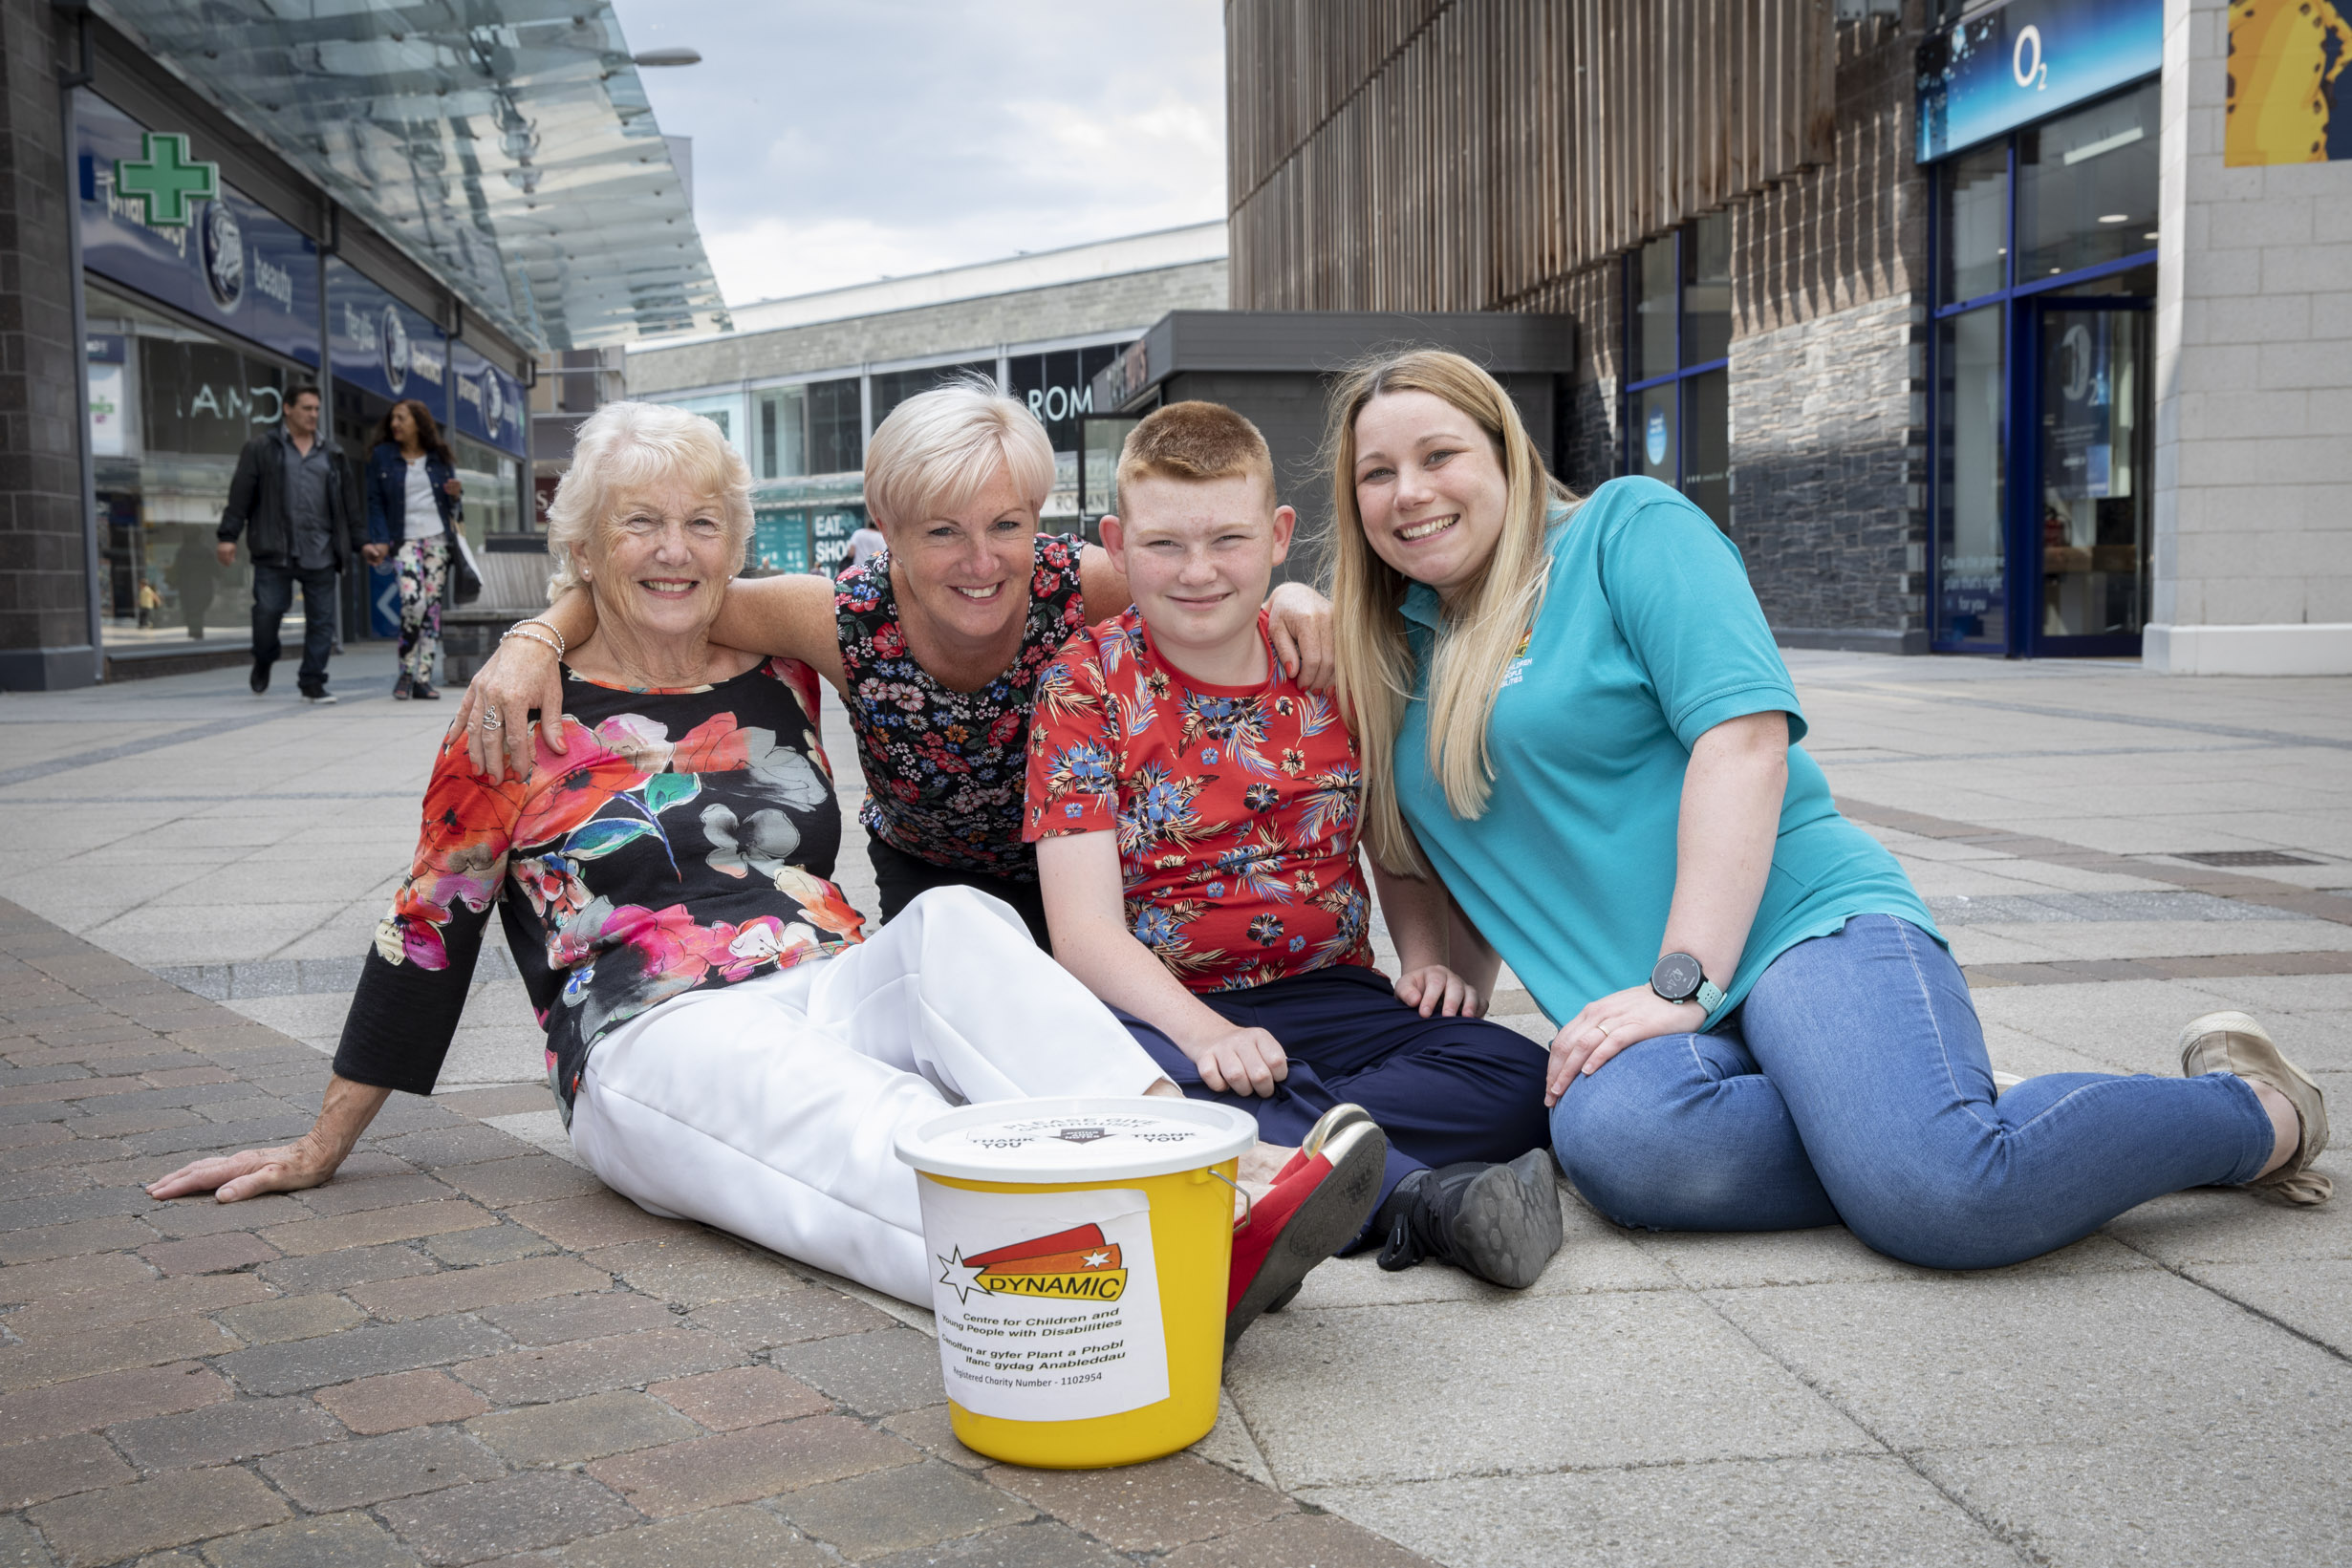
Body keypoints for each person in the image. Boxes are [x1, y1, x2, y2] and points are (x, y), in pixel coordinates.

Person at [145, 399, 1383, 1340]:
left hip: (825, 975)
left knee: (956, 924)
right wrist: (321, 1144)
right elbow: (431, 925)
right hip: (654, 1033)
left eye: (701, 524)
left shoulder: (767, 665)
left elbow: (1180, 587)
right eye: (639, 524)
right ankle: (1109, 1274)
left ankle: (1216, 1167)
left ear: (733, 545)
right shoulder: (517, 711)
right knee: (856, 1117)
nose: (674, 552)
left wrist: (1291, 605)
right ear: (585, 543)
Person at [1321, 349, 2330, 1274]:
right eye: (1377, 473)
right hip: (1651, 1024)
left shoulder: (1625, 531)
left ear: (1506, 454)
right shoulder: (1384, 646)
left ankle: (2260, 1112)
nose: (1409, 493)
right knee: (1620, 1147)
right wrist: (1430, 961)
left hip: (1796, 930)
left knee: (1942, 1201)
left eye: (1438, 454)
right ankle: (1929, 1112)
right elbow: (1417, 844)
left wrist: (1683, 980)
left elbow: (1744, 741)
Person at [453, 377, 1333, 949]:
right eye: (940, 531)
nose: (979, 561)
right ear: (888, 527)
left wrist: (1290, 598)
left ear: (1038, 517)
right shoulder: (844, 615)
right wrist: (534, 635)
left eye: (1005, 526)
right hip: (927, 866)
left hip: (1084, 862)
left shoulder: (1085, 585)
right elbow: (664, 581)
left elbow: (1203, 585)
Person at [1025, 401, 1563, 1291]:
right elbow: (1083, 933)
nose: (1198, 573)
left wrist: (1424, 958)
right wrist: (1209, 1035)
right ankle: (1424, 1202)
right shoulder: (1082, 685)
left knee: (1516, 1071)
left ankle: (1269, 1164)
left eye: (1227, 541)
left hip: (1331, 995)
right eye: (1163, 546)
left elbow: (1392, 835)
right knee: (1132, 1099)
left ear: (1279, 536)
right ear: (1116, 545)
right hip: (1167, 1009)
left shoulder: (1333, 664)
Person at [218, 383, 361, 705]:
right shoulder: (261, 448)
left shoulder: (333, 454)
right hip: (274, 549)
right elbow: (241, 495)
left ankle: (312, 681)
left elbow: (349, 505)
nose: (313, 415)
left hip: (321, 550)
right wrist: (228, 536)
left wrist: (361, 542)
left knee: (322, 621)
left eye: (316, 409)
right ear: (287, 408)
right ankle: (264, 657)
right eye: (306, 408)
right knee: (267, 612)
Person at [363, 397, 464, 700]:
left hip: (438, 541)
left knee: (432, 610)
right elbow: (374, 502)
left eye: (401, 419)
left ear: (418, 424)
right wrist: (380, 538)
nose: (395, 424)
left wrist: (457, 496)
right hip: (404, 540)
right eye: (393, 418)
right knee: (413, 601)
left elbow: (454, 509)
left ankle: (422, 678)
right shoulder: (382, 457)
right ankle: (406, 670)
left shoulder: (439, 457)